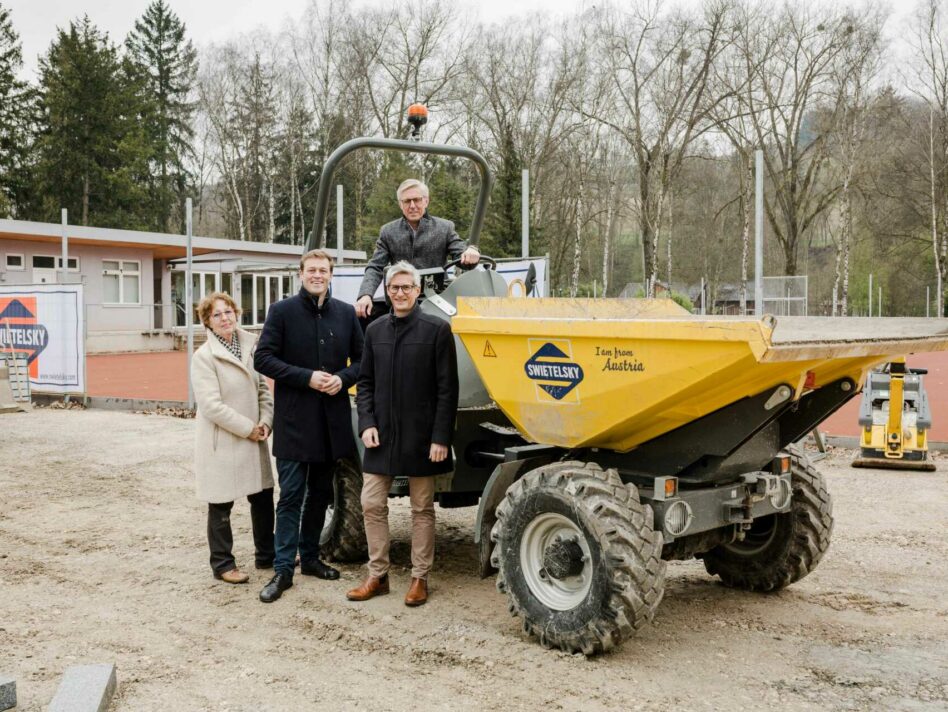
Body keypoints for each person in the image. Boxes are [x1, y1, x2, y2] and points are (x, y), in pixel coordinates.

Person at [253, 249, 364, 603]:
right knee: (291, 498)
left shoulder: (346, 314)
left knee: (320, 495)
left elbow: (362, 361)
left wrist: (342, 378)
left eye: (324, 270)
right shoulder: (282, 312)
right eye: (312, 270)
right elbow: (264, 358)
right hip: (295, 422)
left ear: (331, 275)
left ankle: (311, 558)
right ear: (301, 273)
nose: (318, 275)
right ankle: (283, 569)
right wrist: (307, 378)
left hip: (331, 424)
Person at [347, 261, 459, 606]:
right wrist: (366, 423)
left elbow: (447, 389)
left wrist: (441, 437)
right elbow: (365, 383)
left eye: (406, 287)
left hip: (422, 436)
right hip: (381, 434)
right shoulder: (375, 330)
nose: (400, 293)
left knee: (421, 508)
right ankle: (378, 575)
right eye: (394, 288)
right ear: (387, 290)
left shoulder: (437, 330)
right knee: (371, 503)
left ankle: (419, 578)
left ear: (418, 290)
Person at [191, 292, 274, 585]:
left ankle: (267, 554)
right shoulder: (203, 358)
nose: (225, 318)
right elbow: (211, 406)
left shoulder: (250, 347)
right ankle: (223, 564)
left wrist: (265, 421)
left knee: (263, 497)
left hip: (254, 435)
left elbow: (263, 389)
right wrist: (247, 428)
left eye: (229, 312)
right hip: (224, 440)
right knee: (221, 503)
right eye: (217, 314)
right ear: (208, 323)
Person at [354, 178, 481, 318]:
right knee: (366, 314)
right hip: (401, 299)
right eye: (407, 201)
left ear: (426, 201)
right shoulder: (388, 231)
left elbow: (462, 256)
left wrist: (471, 252)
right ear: (400, 204)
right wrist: (366, 294)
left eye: (417, 200)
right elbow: (376, 267)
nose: (412, 205)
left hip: (437, 299)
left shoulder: (444, 228)